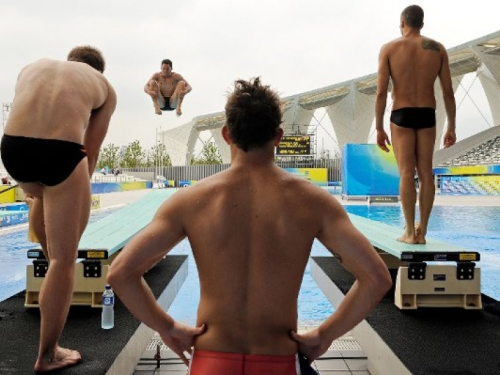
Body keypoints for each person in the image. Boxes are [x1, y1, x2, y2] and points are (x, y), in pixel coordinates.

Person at [108, 77, 392, 374]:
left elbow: (121, 273)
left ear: (227, 134)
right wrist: (324, 335)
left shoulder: (190, 201)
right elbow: (376, 278)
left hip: (211, 360)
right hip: (278, 359)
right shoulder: (314, 203)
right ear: (278, 135)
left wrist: (167, 327)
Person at [0, 45, 117, 373]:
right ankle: (48, 354)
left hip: (13, 150)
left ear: (71, 62)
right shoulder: (104, 89)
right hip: (61, 154)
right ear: (98, 71)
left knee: (42, 195)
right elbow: (89, 152)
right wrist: (77, 190)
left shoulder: (33, 65)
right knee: (65, 261)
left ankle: (49, 255)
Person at [375, 5, 457, 244]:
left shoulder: (389, 49)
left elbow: (381, 92)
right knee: (426, 173)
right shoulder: (437, 49)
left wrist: (379, 127)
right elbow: (448, 93)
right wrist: (451, 125)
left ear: (402, 23)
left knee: (405, 173)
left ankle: (409, 231)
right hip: (426, 114)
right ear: (422, 23)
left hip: (401, 114)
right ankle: (423, 231)